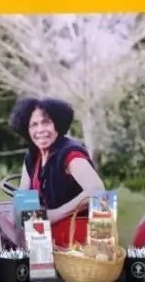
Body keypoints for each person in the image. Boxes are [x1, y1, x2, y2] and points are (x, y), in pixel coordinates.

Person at [10, 97, 105, 247]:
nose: (40, 130)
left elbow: (97, 191)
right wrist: (15, 222)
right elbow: (23, 195)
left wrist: (55, 214)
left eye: (46, 123)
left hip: (79, 241)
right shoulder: (33, 155)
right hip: (48, 238)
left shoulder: (70, 155)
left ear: (57, 125)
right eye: (33, 125)